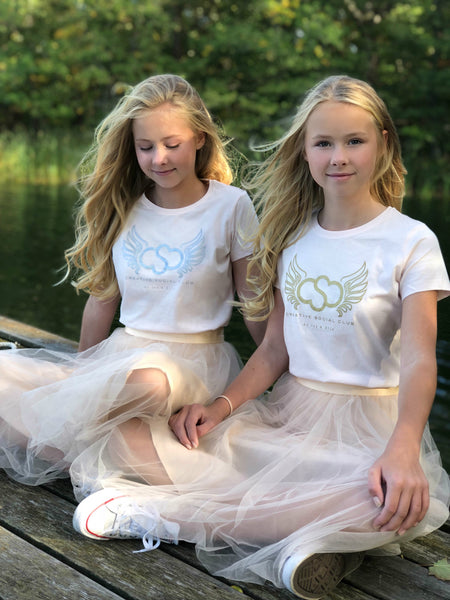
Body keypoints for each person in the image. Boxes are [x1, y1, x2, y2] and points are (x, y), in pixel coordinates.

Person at [71, 75, 450, 599]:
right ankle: (309, 541)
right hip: (290, 416)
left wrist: (404, 446)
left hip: (370, 429)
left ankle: (164, 516)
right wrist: (220, 407)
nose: (339, 157)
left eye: (354, 141)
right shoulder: (291, 238)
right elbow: (273, 349)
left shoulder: (411, 241)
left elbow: (419, 361)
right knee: (130, 436)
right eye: (324, 143)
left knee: (388, 496)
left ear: (383, 143)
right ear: (305, 151)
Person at [0, 74, 265, 492]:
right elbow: (101, 303)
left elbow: (254, 305)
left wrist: (279, 365)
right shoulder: (123, 205)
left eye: (172, 144)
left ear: (199, 138)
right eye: (146, 147)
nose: (159, 158)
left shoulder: (231, 206)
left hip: (192, 363)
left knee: (151, 384)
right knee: (3, 373)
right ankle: (94, 451)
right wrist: (81, 376)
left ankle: (69, 445)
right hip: (123, 356)